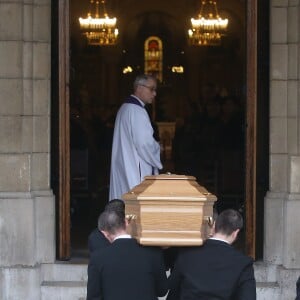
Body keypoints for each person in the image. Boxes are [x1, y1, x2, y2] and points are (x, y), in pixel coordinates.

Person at [167, 209, 256, 300]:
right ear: (235, 233)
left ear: (213, 226)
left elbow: (172, 289)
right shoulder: (244, 263)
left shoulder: (186, 254)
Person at [86, 209, 168, 300]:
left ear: (104, 233)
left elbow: (93, 297)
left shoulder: (98, 258)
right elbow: (162, 291)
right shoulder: (153, 252)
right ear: (126, 222)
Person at [109, 74, 162, 200]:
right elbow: (144, 144)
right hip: (134, 169)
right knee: (136, 209)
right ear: (139, 88)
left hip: (125, 165)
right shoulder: (137, 111)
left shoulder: (125, 108)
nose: (154, 94)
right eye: (151, 89)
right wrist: (157, 148)